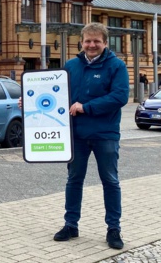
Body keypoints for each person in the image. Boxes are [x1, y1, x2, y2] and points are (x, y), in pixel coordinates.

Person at [52, 22, 129, 250]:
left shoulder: (117, 66)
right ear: (81, 42)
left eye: (97, 41)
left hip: (105, 134)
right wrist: (28, 102)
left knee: (110, 181)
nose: (92, 45)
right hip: (76, 135)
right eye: (88, 41)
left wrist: (86, 107)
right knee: (74, 180)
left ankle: (113, 229)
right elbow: (56, 95)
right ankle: (70, 225)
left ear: (105, 43)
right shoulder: (71, 66)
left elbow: (120, 97)